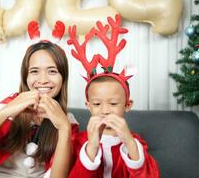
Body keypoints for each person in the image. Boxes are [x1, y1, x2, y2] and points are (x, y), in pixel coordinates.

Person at [0, 41, 77, 178]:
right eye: (34, 71)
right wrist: (4, 113)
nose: (43, 80)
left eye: (52, 71)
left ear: (63, 78)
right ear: (25, 77)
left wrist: (64, 128)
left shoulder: (67, 122)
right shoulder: (6, 107)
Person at [67, 14, 160, 177]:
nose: (105, 111)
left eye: (113, 103)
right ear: (88, 105)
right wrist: (92, 147)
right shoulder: (80, 141)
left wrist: (129, 141)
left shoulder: (135, 143)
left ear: (127, 105)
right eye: (97, 104)